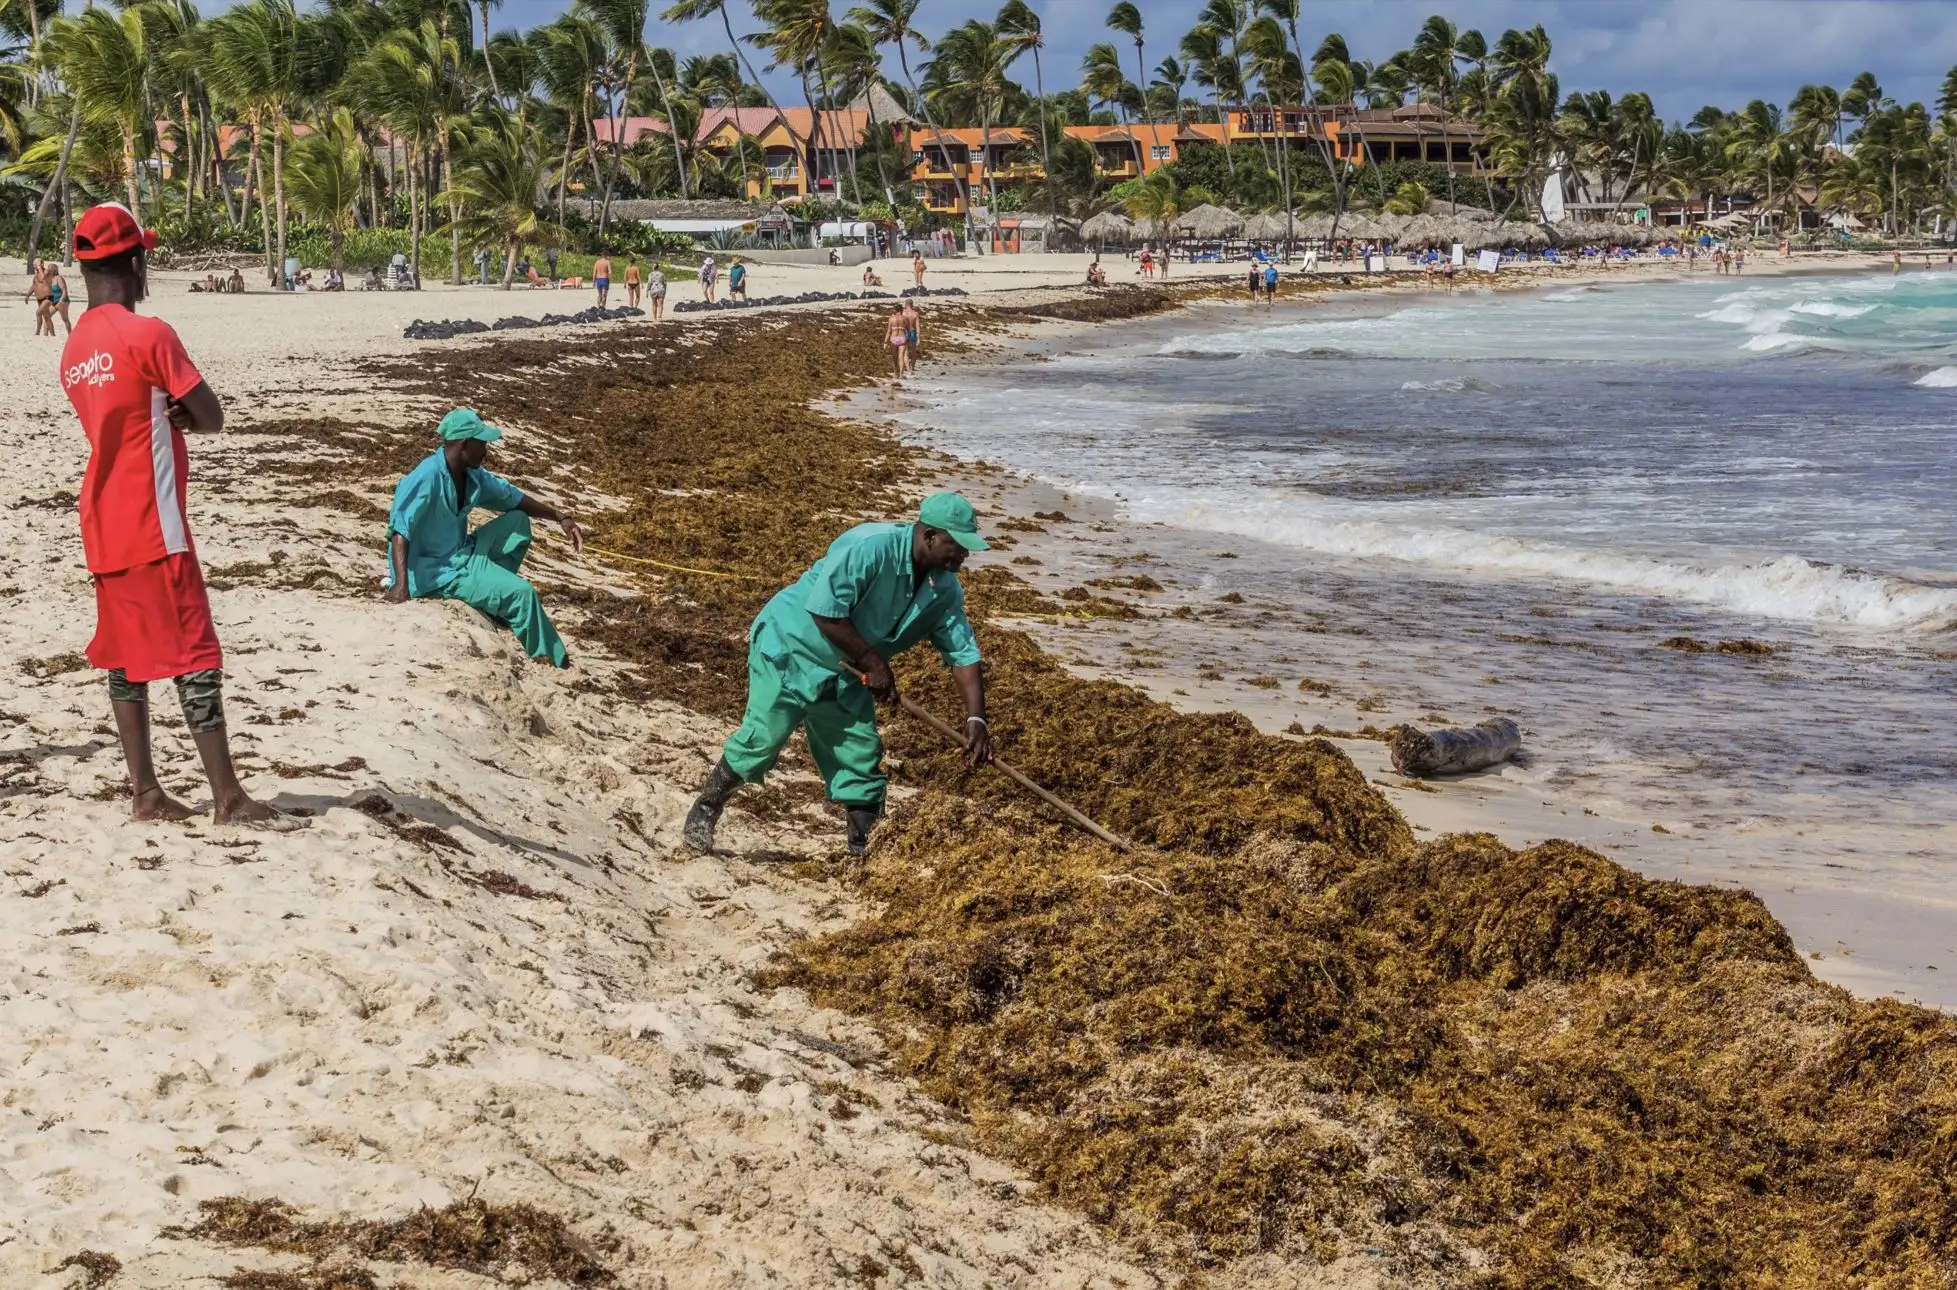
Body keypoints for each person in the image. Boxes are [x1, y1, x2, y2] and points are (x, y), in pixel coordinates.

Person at [58, 203, 290, 828]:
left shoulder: (74, 348)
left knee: (124, 656)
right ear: (136, 263)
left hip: (101, 519)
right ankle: (229, 798)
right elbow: (210, 415)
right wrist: (184, 416)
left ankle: (145, 793)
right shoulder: (149, 333)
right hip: (153, 520)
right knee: (194, 653)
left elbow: (126, 413)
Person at [682, 492, 994, 857]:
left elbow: (962, 652)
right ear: (930, 536)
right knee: (763, 739)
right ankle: (705, 810)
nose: (964, 556)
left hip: (847, 672)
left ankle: (861, 850)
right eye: (957, 546)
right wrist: (874, 663)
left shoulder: (944, 589)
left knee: (859, 754)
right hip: (791, 646)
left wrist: (976, 718)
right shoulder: (869, 546)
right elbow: (826, 611)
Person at [383, 409, 583, 668]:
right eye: (482, 443)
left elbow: (515, 499)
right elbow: (400, 530)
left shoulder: (472, 475)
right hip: (437, 571)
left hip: (461, 552)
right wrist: (401, 584)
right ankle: (554, 660)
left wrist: (560, 517)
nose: (486, 451)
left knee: (517, 521)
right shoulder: (426, 477)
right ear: (465, 444)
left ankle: (490, 598)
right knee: (522, 593)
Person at [884, 305, 909, 378]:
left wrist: (885, 342)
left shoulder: (891, 319)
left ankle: (895, 372)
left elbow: (888, 331)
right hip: (902, 337)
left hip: (893, 338)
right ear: (901, 310)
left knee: (895, 357)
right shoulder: (904, 318)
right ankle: (901, 374)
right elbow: (907, 329)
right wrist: (909, 339)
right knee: (901, 356)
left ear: (895, 311)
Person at [901, 299, 922, 369]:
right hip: (912, 331)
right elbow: (917, 326)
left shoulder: (902, 313)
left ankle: (908, 369)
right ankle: (912, 368)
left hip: (904, 332)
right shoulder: (915, 314)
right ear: (912, 305)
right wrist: (918, 337)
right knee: (913, 352)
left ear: (905, 304)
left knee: (905, 352)